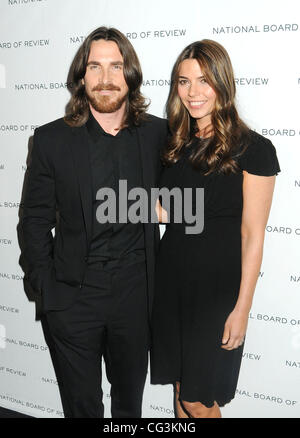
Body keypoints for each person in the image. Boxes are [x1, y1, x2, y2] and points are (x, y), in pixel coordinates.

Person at [17, 26, 168, 418]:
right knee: (82, 408)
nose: (105, 78)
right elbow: (33, 219)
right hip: (73, 297)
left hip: (137, 296)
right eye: (95, 67)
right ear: (81, 76)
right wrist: (45, 288)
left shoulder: (159, 133)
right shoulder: (51, 140)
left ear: (130, 74)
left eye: (116, 67)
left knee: (128, 408)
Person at [150, 39, 280, 418]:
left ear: (223, 83)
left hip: (216, 293)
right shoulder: (175, 143)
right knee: (179, 389)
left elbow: (253, 235)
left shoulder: (254, 149)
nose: (193, 92)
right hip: (170, 281)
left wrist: (242, 308)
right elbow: (162, 211)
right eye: (183, 81)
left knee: (198, 400)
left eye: (204, 81)